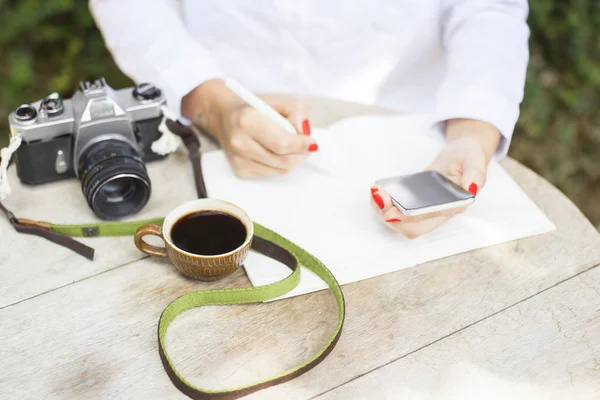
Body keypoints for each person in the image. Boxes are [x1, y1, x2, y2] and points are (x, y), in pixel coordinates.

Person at [89, 0, 530, 239]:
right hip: (223, 113)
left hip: (412, 129)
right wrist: (207, 98)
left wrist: (475, 127)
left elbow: (490, 9)